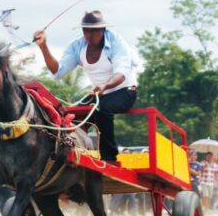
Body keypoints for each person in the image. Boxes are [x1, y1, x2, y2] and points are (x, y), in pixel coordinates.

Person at [34, 10, 139, 162]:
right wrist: (43, 46)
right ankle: (73, 154)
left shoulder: (116, 41)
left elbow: (121, 73)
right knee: (70, 115)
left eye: (94, 31)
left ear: (103, 29)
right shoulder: (77, 46)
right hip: (100, 94)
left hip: (124, 91)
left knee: (101, 109)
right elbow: (57, 71)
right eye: (86, 30)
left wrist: (105, 85)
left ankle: (109, 158)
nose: (89, 35)